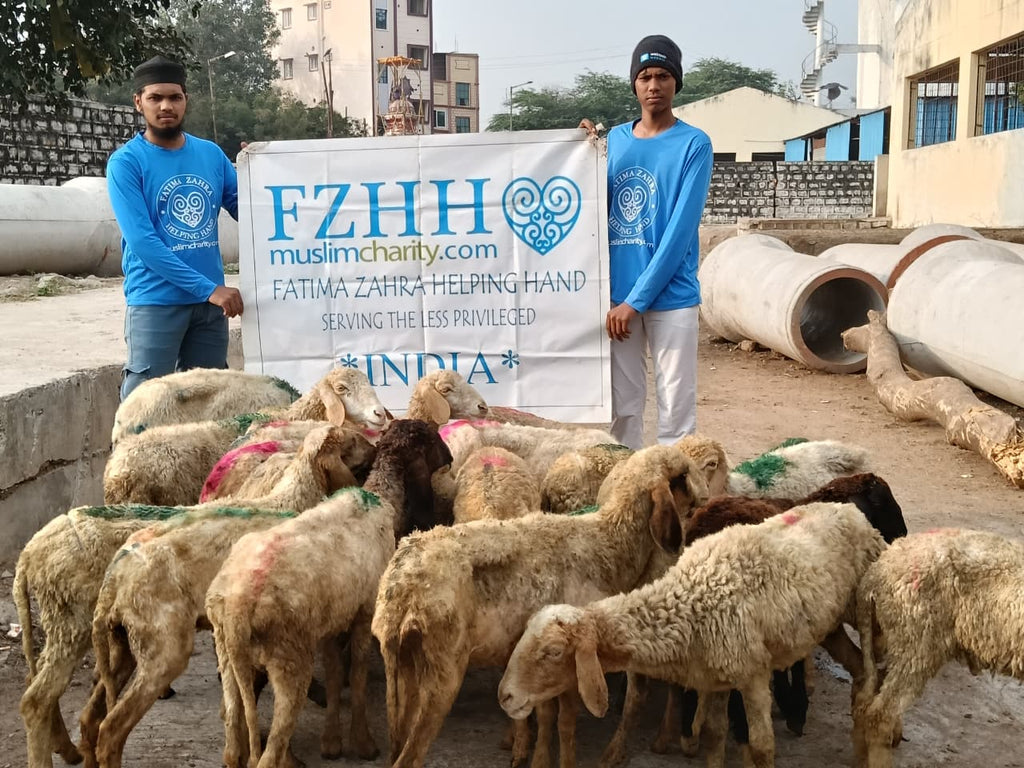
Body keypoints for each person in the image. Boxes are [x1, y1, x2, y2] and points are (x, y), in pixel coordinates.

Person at [580, 35, 713, 450]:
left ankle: (676, 499)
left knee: (676, 409)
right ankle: (629, 494)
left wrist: (635, 302)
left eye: (662, 76)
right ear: (633, 85)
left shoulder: (694, 144)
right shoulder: (613, 142)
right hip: (617, 298)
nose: (653, 85)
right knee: (625, 409)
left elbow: (678, 234)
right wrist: (577, 152)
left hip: (670, 297)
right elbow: (586, 203)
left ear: (676, 83)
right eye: (644, 76)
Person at [107, 54, 243, 401]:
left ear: (186, 101)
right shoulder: (126, 163)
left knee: (209, 406)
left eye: (174, 97)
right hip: (156, 302)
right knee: (145, 407)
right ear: (139, 102)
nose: (166, 105)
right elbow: (144, 242)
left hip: (209, 311)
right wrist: (209, 290)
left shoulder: (211, 155)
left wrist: (263, 169)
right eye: (155, 97)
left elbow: (250, 210)